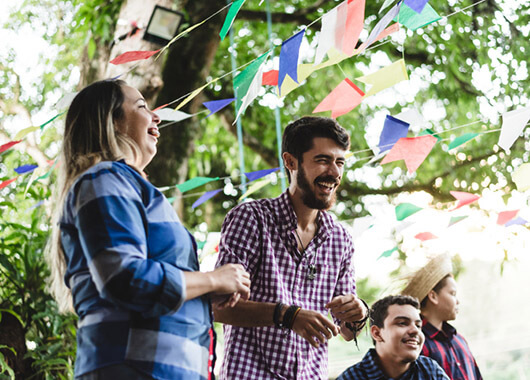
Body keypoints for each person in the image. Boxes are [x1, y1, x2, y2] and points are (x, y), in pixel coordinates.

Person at [46, 79, 251, 380]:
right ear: (111, 122)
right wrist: (211, 278)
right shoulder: (104, 179)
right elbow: (124, 277)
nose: (157, 116)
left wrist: (205, 292)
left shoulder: (127, 185)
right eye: (142, 106)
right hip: (134, 368)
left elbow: (148, 287)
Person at [214, 116, 369, 379]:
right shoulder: (251, 219)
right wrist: (287, 315)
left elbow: (347, 331)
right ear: (290, 162)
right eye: (323, 160)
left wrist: (359, 313)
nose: (334, 172)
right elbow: (220, 307)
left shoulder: (341, 238)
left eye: (339, 161)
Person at [401, 254, 483, 380]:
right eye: (452, 293)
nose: (457, 301)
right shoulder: (415, 345)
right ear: (433, 296)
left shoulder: (459, 340)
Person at [337, 295, 450, 380]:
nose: (415, 330)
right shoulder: (352, 377)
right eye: (402, 323)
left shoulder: (430, 370)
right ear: (377, 333)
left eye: (418, 325)